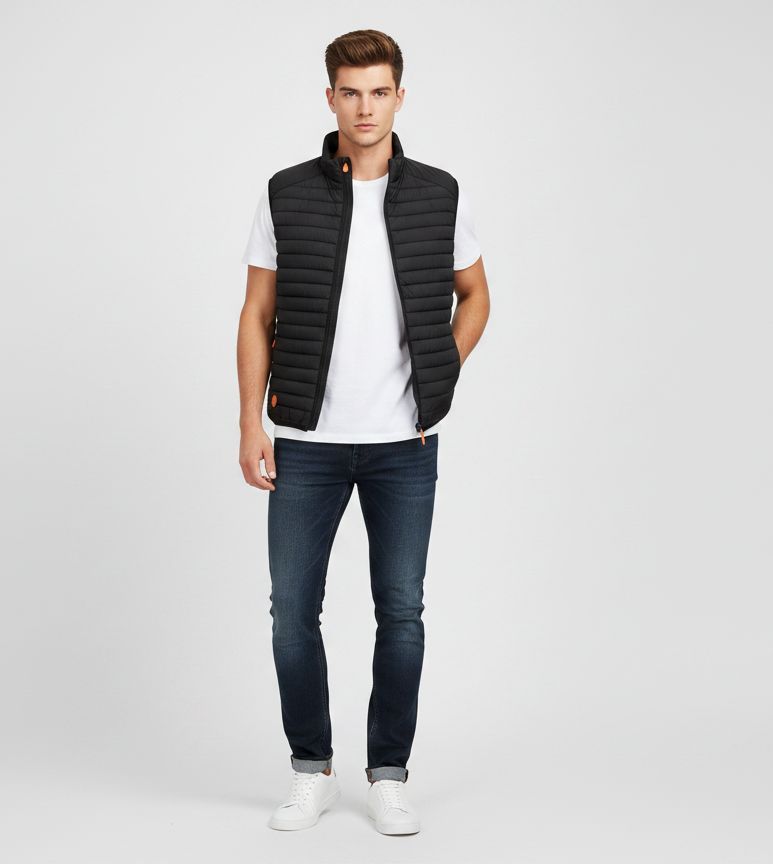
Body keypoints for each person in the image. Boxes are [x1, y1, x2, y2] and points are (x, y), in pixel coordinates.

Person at [236, 29, 490, 835]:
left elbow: (476, 294)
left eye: (379, 91)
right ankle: (310, 769)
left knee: (401, 611)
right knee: (290, 613)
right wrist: (249, 422)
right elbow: (256, 312)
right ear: (330, 98)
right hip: (305, 442)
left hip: (402, 445)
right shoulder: (285, 193)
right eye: (350, 92)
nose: (365, 107)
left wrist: (438, 370)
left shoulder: (440, 194)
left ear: (399, 98)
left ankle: (388, 774)